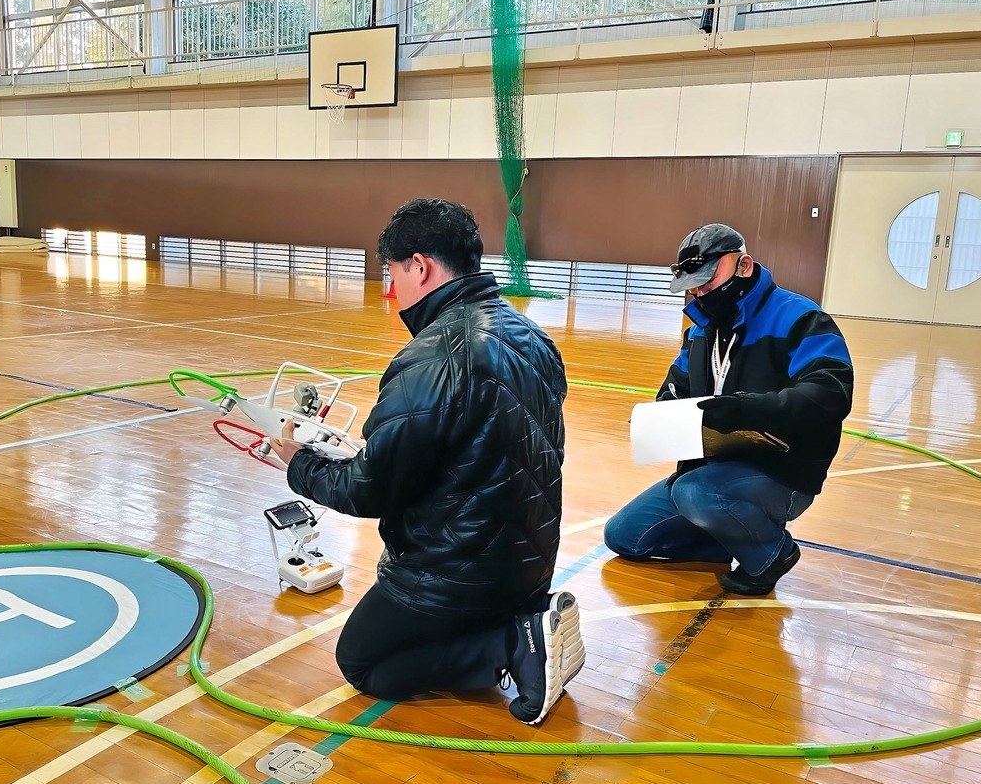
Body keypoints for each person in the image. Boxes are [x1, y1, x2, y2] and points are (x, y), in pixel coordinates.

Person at [273, 198, 583, 725]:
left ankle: (511, 644)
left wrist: (300, 462)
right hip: (529, 558)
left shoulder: (431, 356)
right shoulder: (532, 335)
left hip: (457, 572)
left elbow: (368, 491)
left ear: (420, 266)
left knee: (364, 662)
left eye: (392, 273)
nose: (392, 290)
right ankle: (518, 623)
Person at [605, 223, 853, 594]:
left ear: (744, 266)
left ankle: (772, 554)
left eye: (708, 280)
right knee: (624, 536)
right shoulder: (701, 332)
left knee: (695, 492)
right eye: (694, 285)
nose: (701, 293)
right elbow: (676, 389)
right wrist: (660, 419)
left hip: (781, 472)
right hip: (710, 471)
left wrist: (742, 409)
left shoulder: (800, 318)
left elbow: (830, 395)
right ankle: (723, 536)